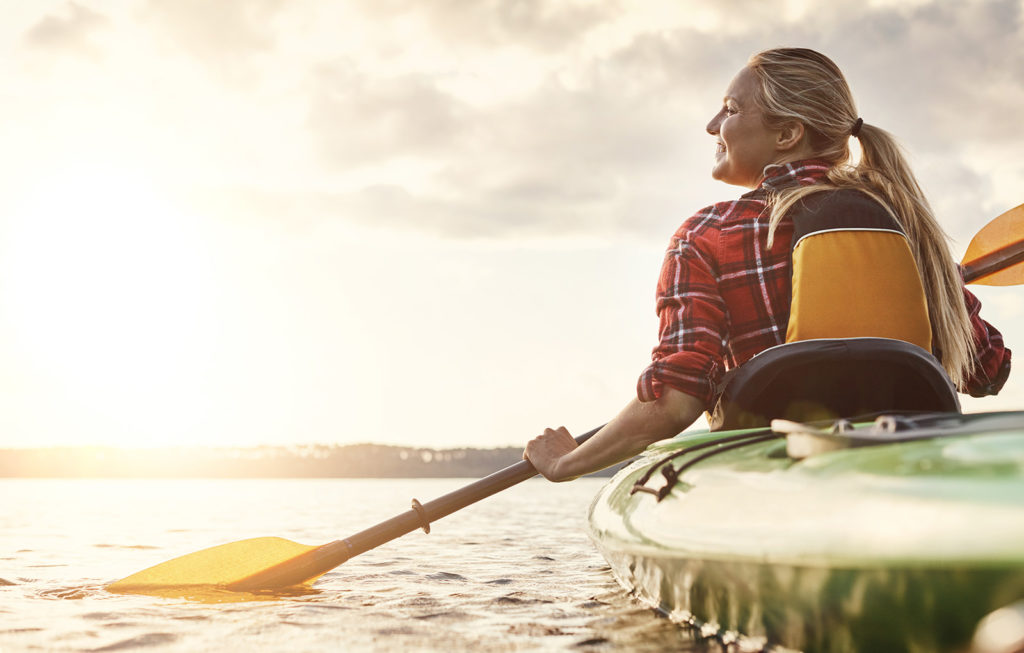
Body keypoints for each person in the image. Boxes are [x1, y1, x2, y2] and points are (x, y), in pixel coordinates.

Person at [523, 47, 1011, 481]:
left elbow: (676, 401)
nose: (713, 125)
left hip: (764, 477)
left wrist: (567, 462)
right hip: (912, 468)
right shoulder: (904, 227)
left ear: (788, 133)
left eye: (731, 110)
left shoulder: (706, 234)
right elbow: (988, 372)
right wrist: (942, 285)